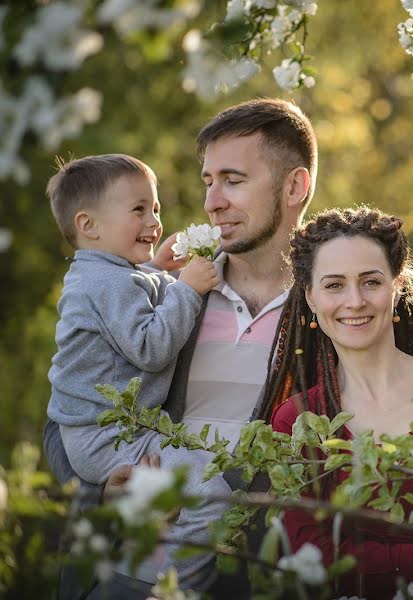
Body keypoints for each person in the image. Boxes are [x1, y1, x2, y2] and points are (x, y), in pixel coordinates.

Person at [42, 97, 318, 598]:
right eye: (208, 181)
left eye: (233, 180)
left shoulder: (330, 310)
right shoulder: (174, 292)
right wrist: (103, 489)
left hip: (243, 578)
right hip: (116, 571)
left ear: (294, 186)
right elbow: (65, 416)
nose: (212, 201)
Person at [45, 152, 230, 588]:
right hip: (104, 434)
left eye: (156, 208)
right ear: (89, 226)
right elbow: (149, 346)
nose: (154, 220)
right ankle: (166, 588)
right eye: (139, 209)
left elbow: (128, 304)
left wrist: (157, 270)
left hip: (102, 428)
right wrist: (186, 290)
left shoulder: (102, 272)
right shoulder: (106, 282)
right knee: (211, 493)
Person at [266, 207, 413, 599]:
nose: (354, 301)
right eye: (334, 285)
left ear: (398, 286)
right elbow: (316, 559)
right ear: (311, 297)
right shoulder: (298, 420)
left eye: (371, 282)